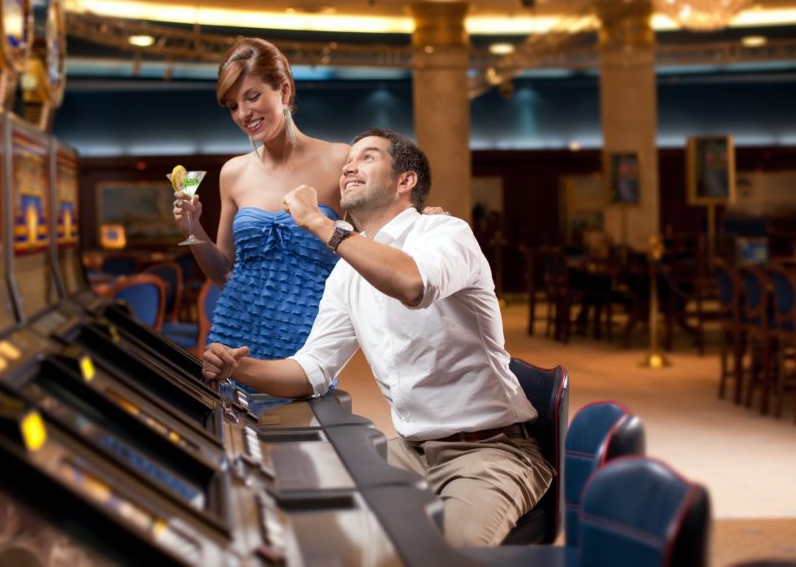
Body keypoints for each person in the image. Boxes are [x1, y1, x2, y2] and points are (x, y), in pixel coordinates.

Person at [201, 128, 553, 547]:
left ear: (406, 180)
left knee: (440, 556)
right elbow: (311, 369)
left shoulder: (445, 233)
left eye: (368, 157)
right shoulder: (347, 271)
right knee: (317, 521)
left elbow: (411, 284)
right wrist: (240, 368)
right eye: (349, 160)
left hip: (489, 452)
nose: (349, 166)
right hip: (412, 449)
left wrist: (320, 223)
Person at [171, 37, 351, 360]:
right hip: (233, 339)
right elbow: (223, 272)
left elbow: (376, 247)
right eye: (233, 106)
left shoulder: (341, 161)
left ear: (284, 91)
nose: (243, 114)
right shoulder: (233, 173)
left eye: (252, 97)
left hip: (305, 347)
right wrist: (192, 228)